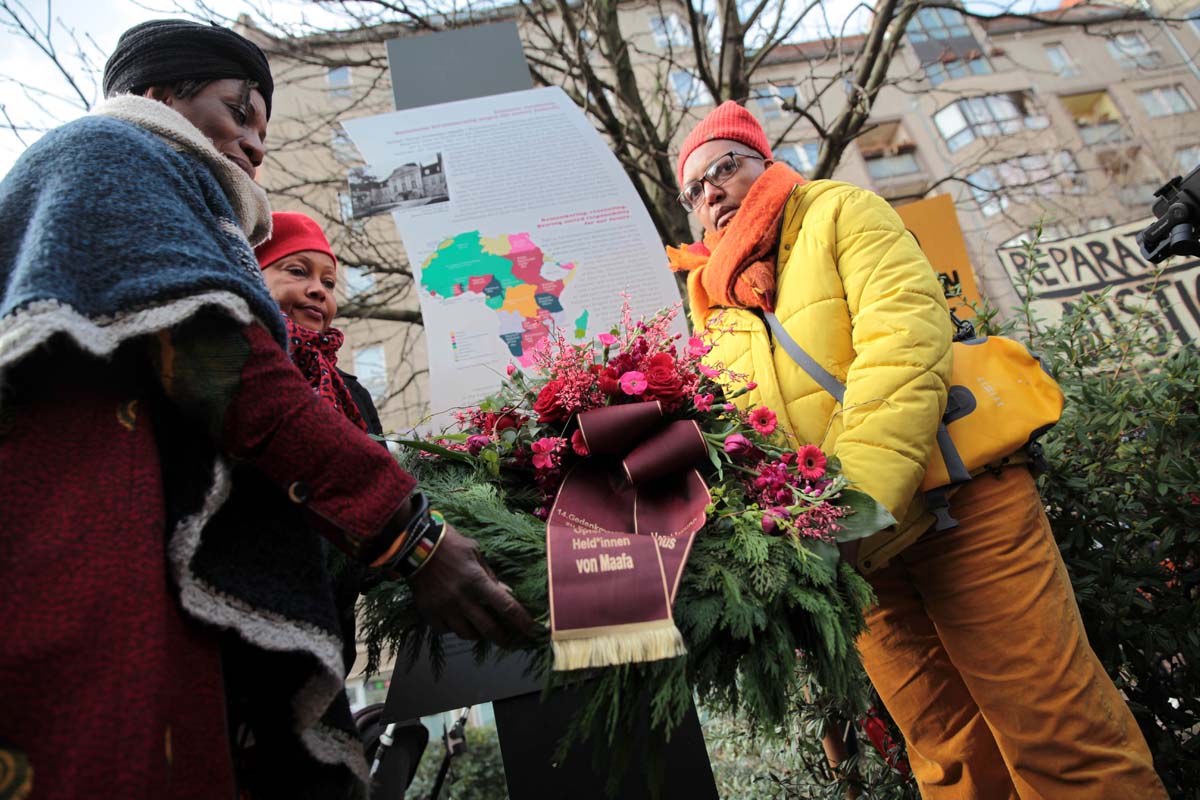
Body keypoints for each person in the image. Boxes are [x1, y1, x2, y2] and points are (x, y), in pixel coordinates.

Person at [0, 19, 531, 800]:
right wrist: (407, 536)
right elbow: (225, 364)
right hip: (92, 563)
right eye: (237, 110)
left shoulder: (142, 178)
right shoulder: (111, 153)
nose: (255, 143)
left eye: (263, 128)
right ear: (157, 97)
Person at [666, 101, 1166, 799]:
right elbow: (749, 449)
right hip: (858, 563)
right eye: (693, 189)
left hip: (960, 508)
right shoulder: (714, 308)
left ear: (764, 162)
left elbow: (901, 351)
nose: (709, 191)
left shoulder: (839, 211)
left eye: (724, 166)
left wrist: (843, 509)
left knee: (1060, 740)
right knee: (949, 765)